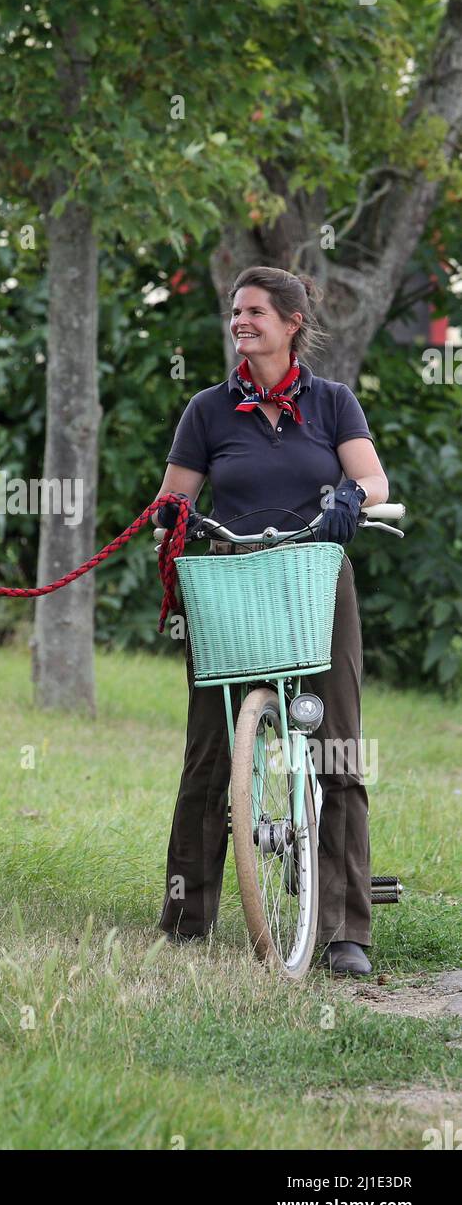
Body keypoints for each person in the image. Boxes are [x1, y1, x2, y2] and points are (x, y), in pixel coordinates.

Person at [153, 266, 390, 977]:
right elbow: (172, 498)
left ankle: (347, 930)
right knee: (209, 751)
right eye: (234, 311)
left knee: (337, 748)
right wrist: (174, 517)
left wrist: (353, 499)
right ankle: (187, 917)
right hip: (232, 579)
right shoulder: (207, 411)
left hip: (316, 578)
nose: (240, 321)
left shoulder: (333, 403)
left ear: (291, 322)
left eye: (254, 311)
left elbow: (374, 479)